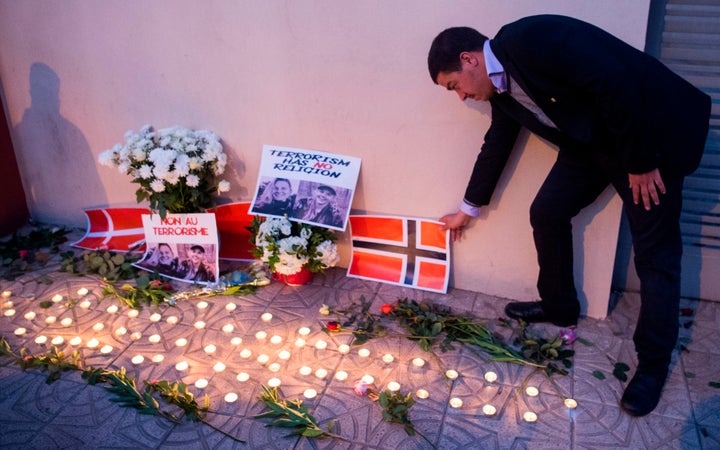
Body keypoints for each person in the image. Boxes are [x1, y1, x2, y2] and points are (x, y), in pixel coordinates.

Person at [428, 15, 710, 417]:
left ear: (468, 59)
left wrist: (642, 162)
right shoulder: (500, 92)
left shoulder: (530, 38)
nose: (461, 97)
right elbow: (496, 145)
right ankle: (559, 306)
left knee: (655, 256)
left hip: (648, 139)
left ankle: (652, 365)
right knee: (546, 212)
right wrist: (466, 210)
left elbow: (614, 81)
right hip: (594, 148)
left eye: (454, 86)